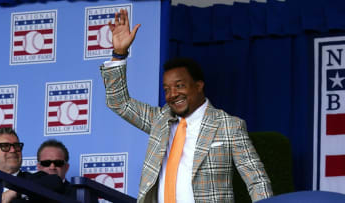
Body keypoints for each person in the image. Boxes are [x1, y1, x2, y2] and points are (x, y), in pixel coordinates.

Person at [99, 9, 273, 203]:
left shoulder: (228, 125)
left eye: (180, 86)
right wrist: (119, 54)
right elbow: (119, 102)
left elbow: (256, 180)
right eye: (166, 89)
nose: (172, 94)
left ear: (199, 86)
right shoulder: (160, 120)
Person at [0, 128, 65, 203]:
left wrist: (17, 192)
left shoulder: (36, 180)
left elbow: (55, 182)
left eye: (16, 146)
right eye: (5, 146)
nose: (13, 150)